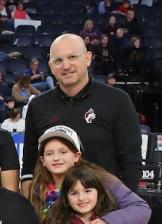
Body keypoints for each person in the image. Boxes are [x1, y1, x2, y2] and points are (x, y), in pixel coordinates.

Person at [22, 33, 142, 193]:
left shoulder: (117, 100)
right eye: (58, 60)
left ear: (88, 58)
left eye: (72, 57)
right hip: (53, 211)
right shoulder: (37, 106)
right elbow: (30, 167)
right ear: (51, 67)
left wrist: (122, 213)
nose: (65, 66)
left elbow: (131, 163)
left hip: (105, 210)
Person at [27, 126, 152, 224]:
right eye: (49, 153)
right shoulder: (38, 188)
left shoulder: (99, 179)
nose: (56, 158)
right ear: (43, 160)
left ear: (76, 156)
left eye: (63, 152)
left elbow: (140, 209)